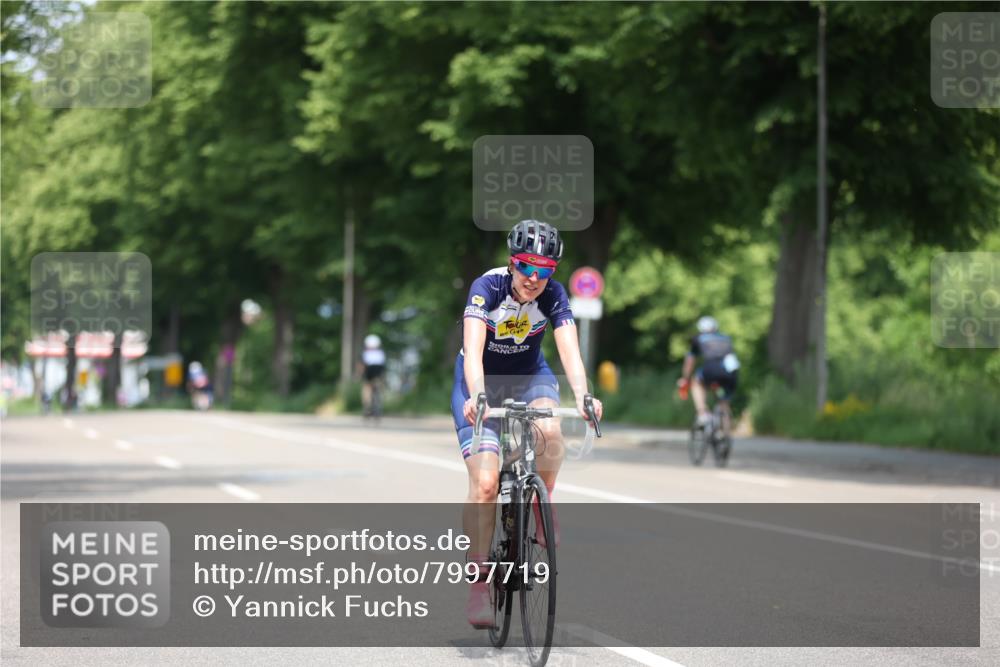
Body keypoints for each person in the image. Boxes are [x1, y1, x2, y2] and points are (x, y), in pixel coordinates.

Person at [454, 219, 603, 628]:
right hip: (480, 379)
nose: (535, 279)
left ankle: (542, 500)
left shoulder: (553, 295)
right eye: (526, 267)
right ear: (511, 262)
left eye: (545, 270)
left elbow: (568, 348)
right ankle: (480, 584)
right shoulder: (487, 288)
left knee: (551, 432)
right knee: (484, 485)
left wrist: (584, 395)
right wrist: (479, 397)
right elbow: (472, 348)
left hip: (530, 376)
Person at [678, 316, 739, 432]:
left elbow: (690, 361)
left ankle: (702, 413)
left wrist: (685, 378)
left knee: (696, 382)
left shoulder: (699, 338)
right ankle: (725, 435)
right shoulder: (726, 338)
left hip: (711, 369)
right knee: (724, 403)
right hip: (731, 372)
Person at [360, 334, 386, 417]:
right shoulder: (381, 353)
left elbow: (362, 366)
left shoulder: (366, 353)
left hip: (369, 371)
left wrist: (360, 374)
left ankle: (367, 406)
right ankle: (378, 406)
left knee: (367, 388)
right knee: (378, 387)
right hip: (378, 371)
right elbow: (383, 366)